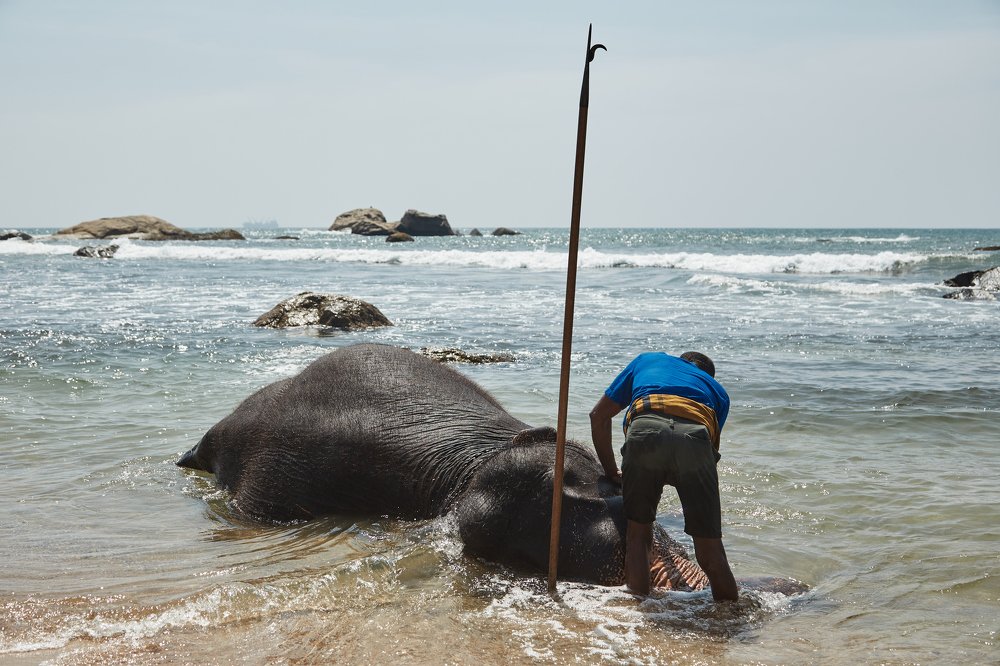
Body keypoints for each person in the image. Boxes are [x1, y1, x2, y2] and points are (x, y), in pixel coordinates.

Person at [589, 350, 738, 601]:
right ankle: (731, 619)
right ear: (706, 376)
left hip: (645, 430)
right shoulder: (718, 392)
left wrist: (611, 471)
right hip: (695, 439)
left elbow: (598, 416)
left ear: (681, 361)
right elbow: (705, 449)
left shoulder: (648, 360)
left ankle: (640, 607)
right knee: (710, 550)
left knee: (638, 535)